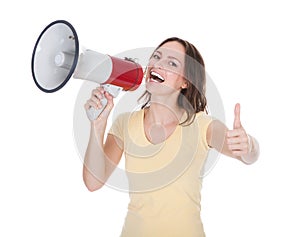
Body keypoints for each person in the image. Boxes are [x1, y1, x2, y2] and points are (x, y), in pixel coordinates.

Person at [83, 37, 260, 237]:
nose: (157, 64)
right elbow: (93, 182)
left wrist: (249, 145)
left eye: (172, 63)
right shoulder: (125, 123)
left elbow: (248, 156)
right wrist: (97, 126)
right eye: (156, 57)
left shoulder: (203, 125)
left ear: (185, 81)